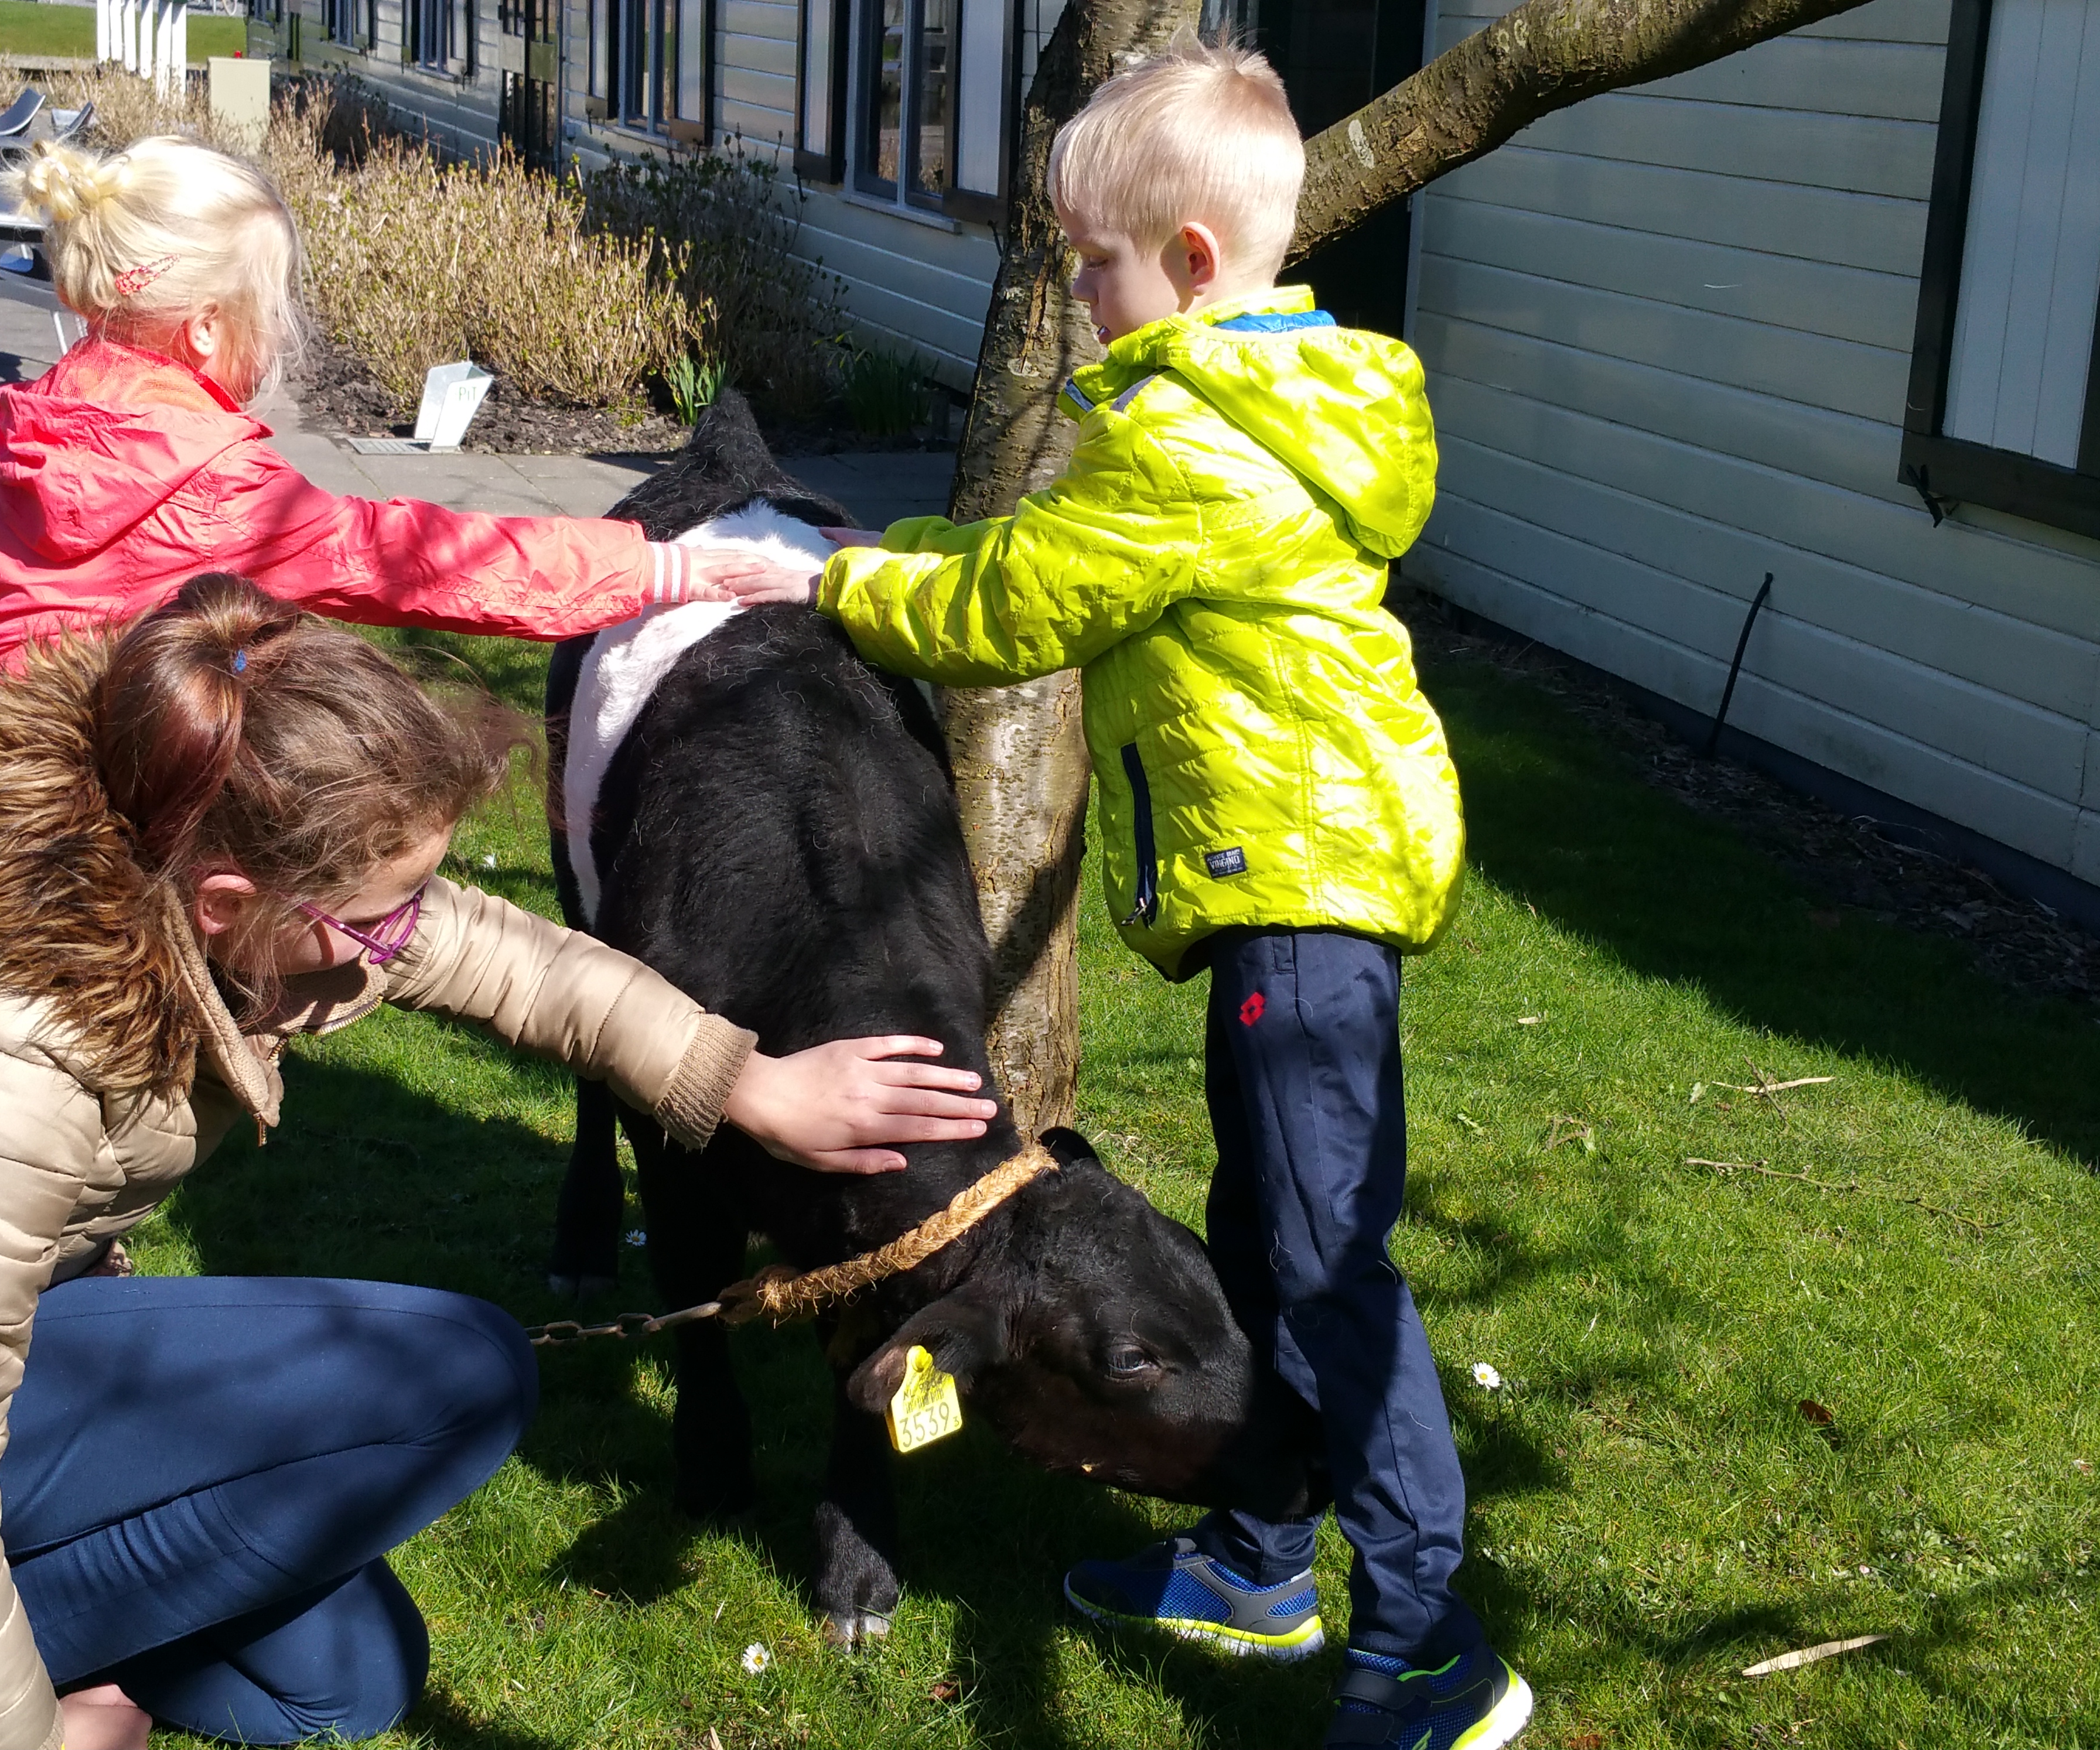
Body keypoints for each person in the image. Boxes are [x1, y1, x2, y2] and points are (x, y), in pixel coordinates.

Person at [0, 576, 999, 1750]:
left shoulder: (180, 859)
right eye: (377, 915)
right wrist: (23, 1735)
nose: (407, 940)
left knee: (342, 1690)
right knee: (456, 1375)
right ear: (233, 905)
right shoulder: (3, 1066)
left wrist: (744, 1082)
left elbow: (488, 946)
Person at [733, 39, 1527, 1750]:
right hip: (1304, 895)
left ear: (1184, 265)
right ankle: (1255, 1561)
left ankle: (1429, 1637)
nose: (1076, 290)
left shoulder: (1193, 442)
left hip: (1302, 912)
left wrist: (840, 583)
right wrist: (865, 562)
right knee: (1264, 1230)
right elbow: (1033, 559)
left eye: (1090, 260)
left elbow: (1026, 607)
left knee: (1329, 1271)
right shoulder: (1270, 406)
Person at [0, 134, 786, 869]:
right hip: (57, 831)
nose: (279, 334)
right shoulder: (210, 486)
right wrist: (653, 562)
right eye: (269, 312)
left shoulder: (26, 429)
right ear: (204, 329)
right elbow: (414, 559)